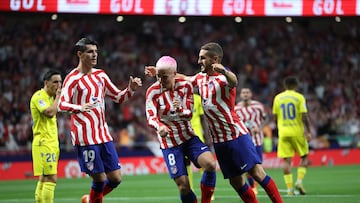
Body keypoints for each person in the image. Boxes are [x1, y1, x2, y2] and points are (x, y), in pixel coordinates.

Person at [146, 42, 283, 203]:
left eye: (202, 58)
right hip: (219, 141)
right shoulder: (200, 78)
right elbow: (184, 78)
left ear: (215, 59)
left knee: (257, 173)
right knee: (236, 182)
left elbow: (234, 81)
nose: (199, 61)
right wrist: (163, 73)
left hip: (235, 135)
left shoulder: (223, 78)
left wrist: (224, 70)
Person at [58, 37, 142, 203]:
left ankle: (90, 199)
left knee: (116, 178)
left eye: (96, 52)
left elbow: (118, 97)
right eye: (90, 52)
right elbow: (61, 104)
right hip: (85, 138)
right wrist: (79, 108)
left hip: (103, 135)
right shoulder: (72, 78)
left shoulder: (101, 75)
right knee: (99, 179)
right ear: (80, 54)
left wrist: (130, 89)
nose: (95, 55)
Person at [145, 56, 216, 203]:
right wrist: (160, 127)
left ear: (174, 74)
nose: (160, 80)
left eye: (164, 77)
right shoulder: (152, 91)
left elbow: (189, 114)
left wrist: (180, 109)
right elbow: (151, 117)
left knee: (210, 164)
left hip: (188, 137)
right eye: (158, 76)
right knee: (184, 186)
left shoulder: (186, 86)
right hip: (170, 144)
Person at [272, 76, 312, 196]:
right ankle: (299, 182)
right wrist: (308, 130)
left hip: (283, 132)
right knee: (304, 157)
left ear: (285, 85)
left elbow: (275, 116)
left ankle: (289, 190)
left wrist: (279, 128)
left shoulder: (278, 98)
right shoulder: (299, 97)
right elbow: (304, 115)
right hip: (297, 131)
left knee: (287, 161)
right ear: (296, 85)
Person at [30, 69, 62, 203]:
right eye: (55, 82)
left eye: (60, 82)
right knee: (51, 178)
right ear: (46, 83)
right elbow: (49, 112)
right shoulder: (39, 97)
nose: (59, 85)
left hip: (52, 143)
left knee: (44, 178)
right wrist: (59, 97)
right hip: (44, 143)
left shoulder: (50, 98)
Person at [235, 87, 269, 195]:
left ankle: (256, 184)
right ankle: (253, 186)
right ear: (240, 95)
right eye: (243, 92)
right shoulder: (236, 108)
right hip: (244, 140)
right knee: (248, 165)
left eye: (247, 92)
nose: (245, 94)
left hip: (257, 140)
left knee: (258, 164)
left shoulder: (258, 106)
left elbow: (266, 118)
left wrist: (260, 128)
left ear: (251, 94)